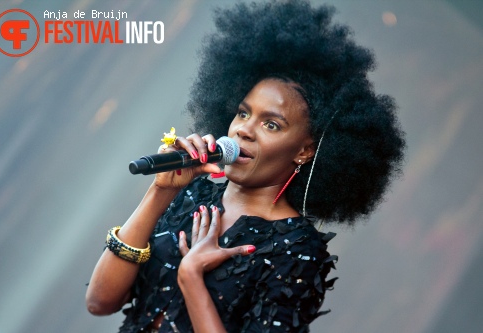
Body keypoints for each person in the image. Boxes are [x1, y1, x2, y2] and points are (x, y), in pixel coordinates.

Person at [86, 1, 405, 332]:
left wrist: (192, 277)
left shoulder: (295, 249)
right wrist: (160, 191)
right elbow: (99, 302)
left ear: (304, 151)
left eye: (271, 125)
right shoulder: (192, 193)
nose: (243, 129)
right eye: (242, 112)